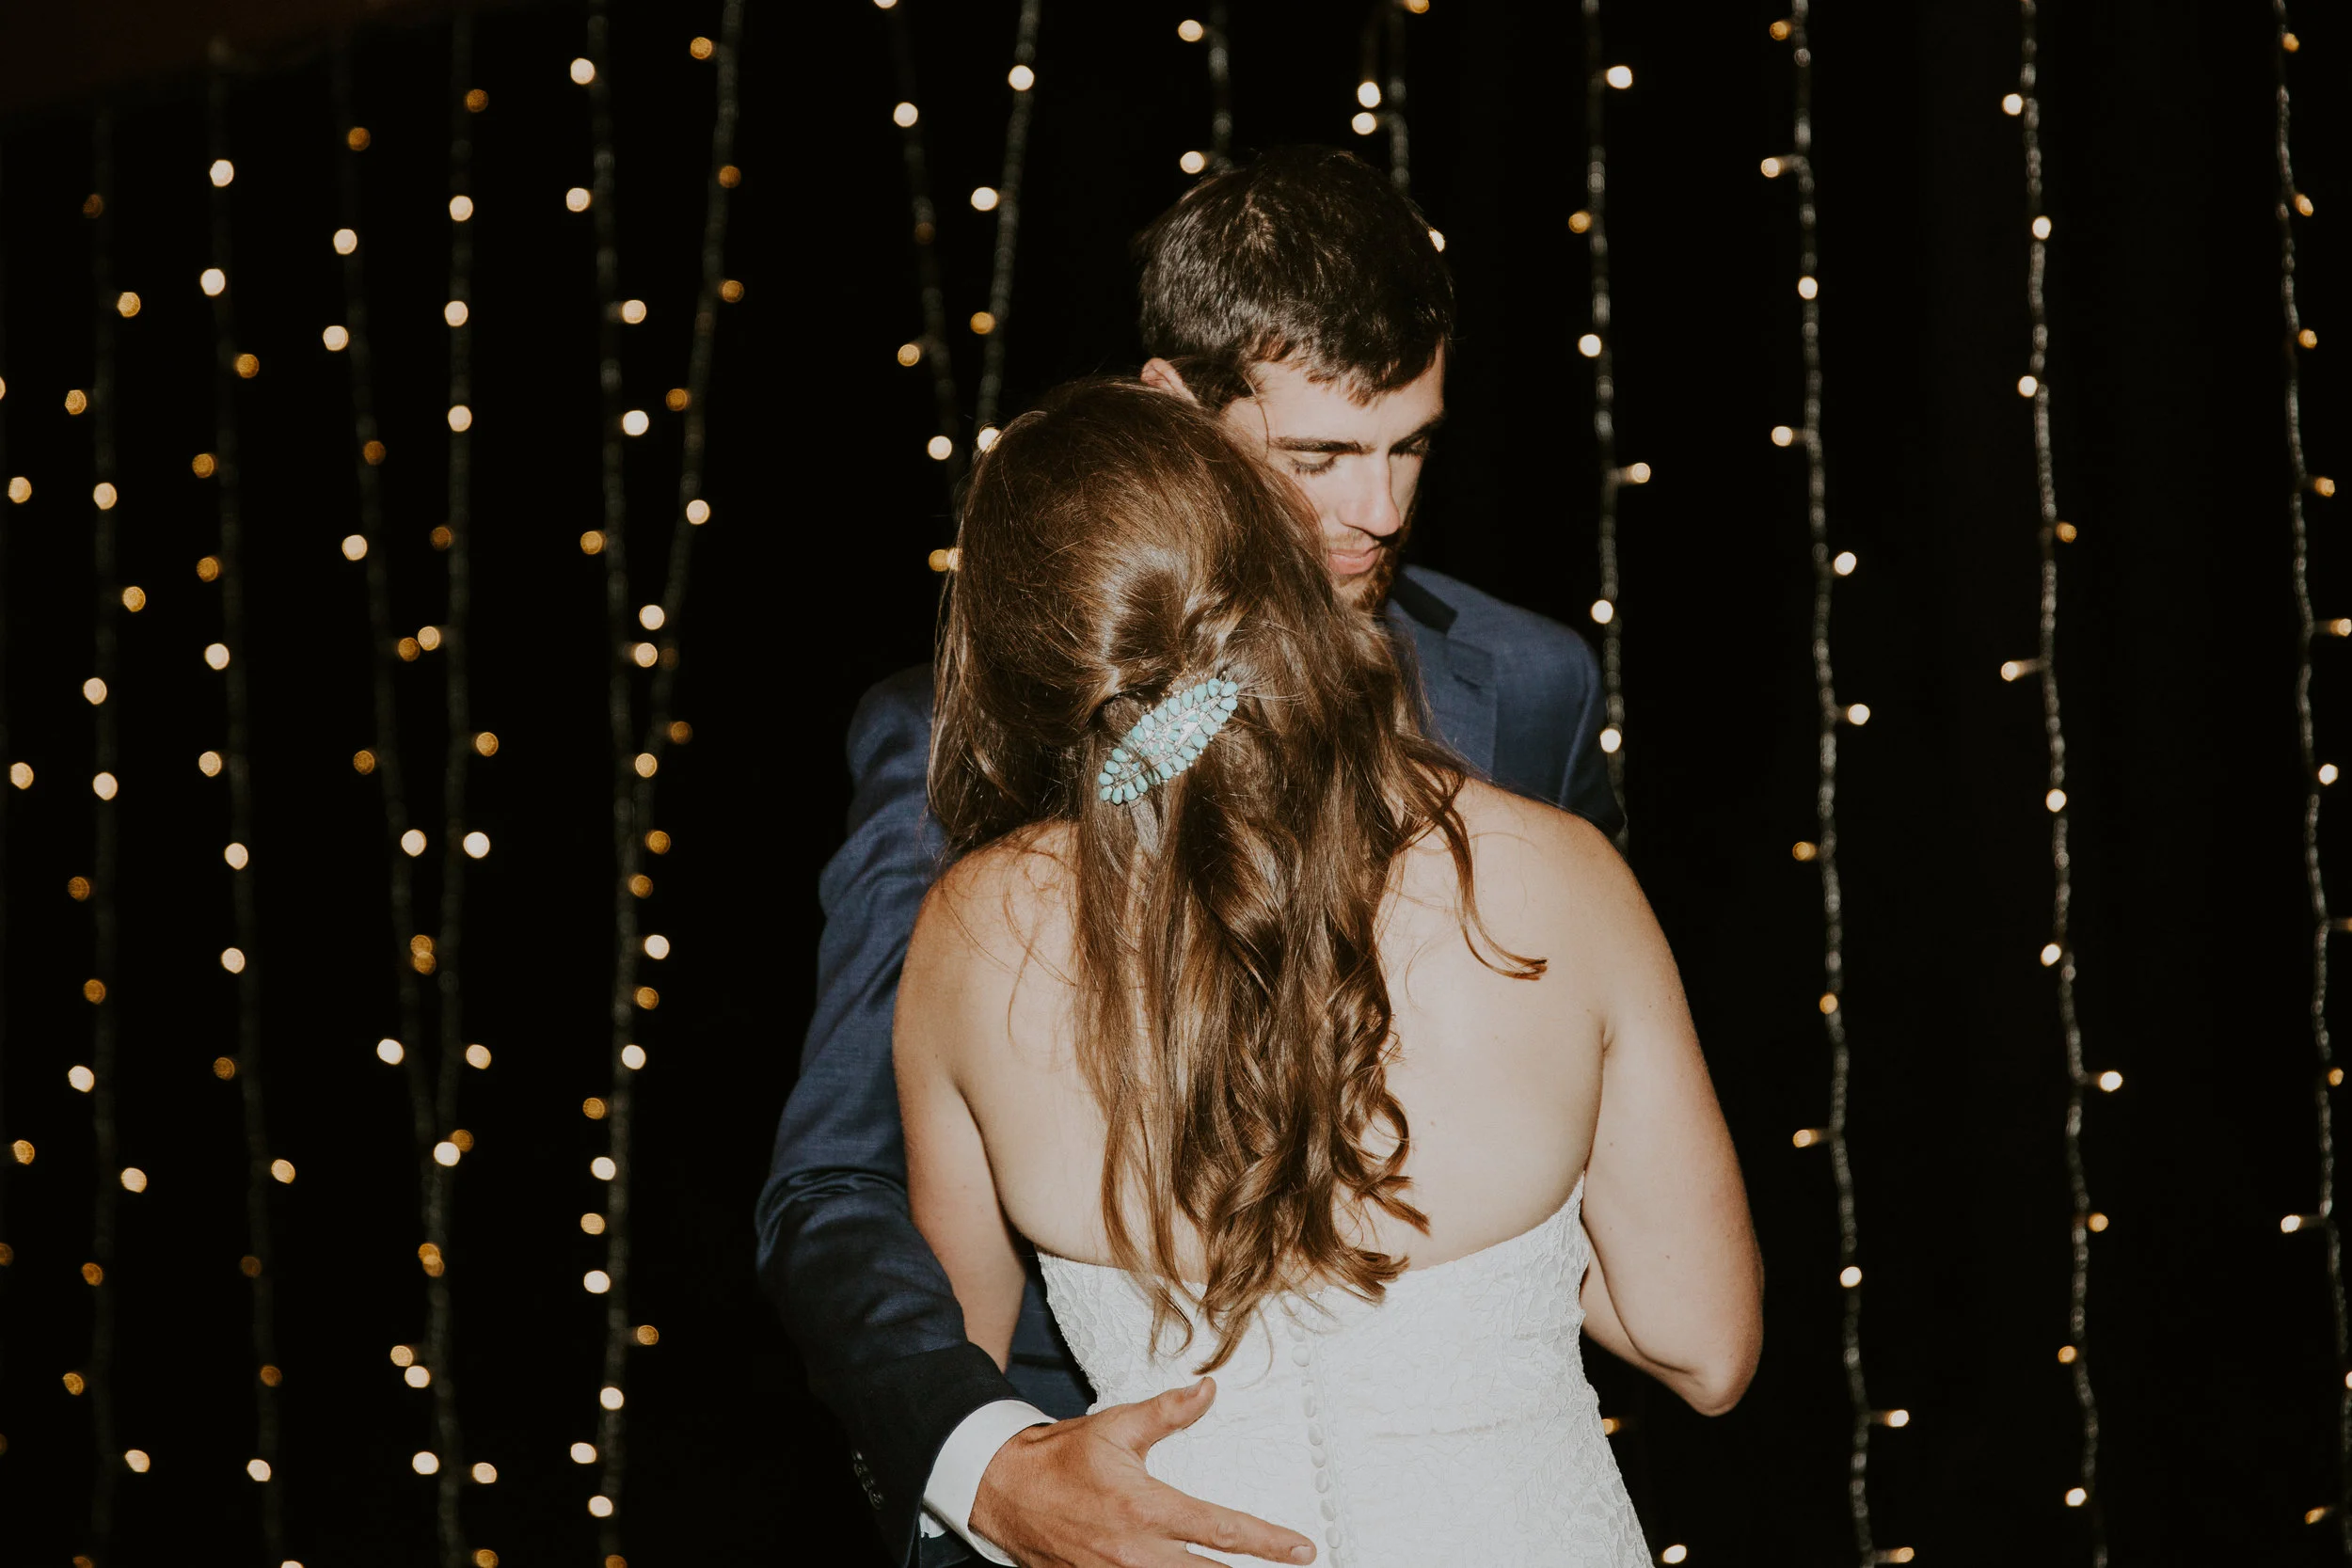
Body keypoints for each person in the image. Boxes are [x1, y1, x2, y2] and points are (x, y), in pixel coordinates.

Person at [759, 148, 1628, 1567]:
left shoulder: (1528, 684)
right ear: (1172, 405)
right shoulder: (977, 725)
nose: (1379, 510)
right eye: (1318, 457)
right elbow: (834, 1186)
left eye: (1410, 445)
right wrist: (990, 1466)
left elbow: (1600, 1101)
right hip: (1119, 1497)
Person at [896, 378, 1761, 1566]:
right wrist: (1503, 1246)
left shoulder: (969, 938)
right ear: (1278, 569)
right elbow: (1705, 1348)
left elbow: (960, 1369)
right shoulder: (1555, 877)